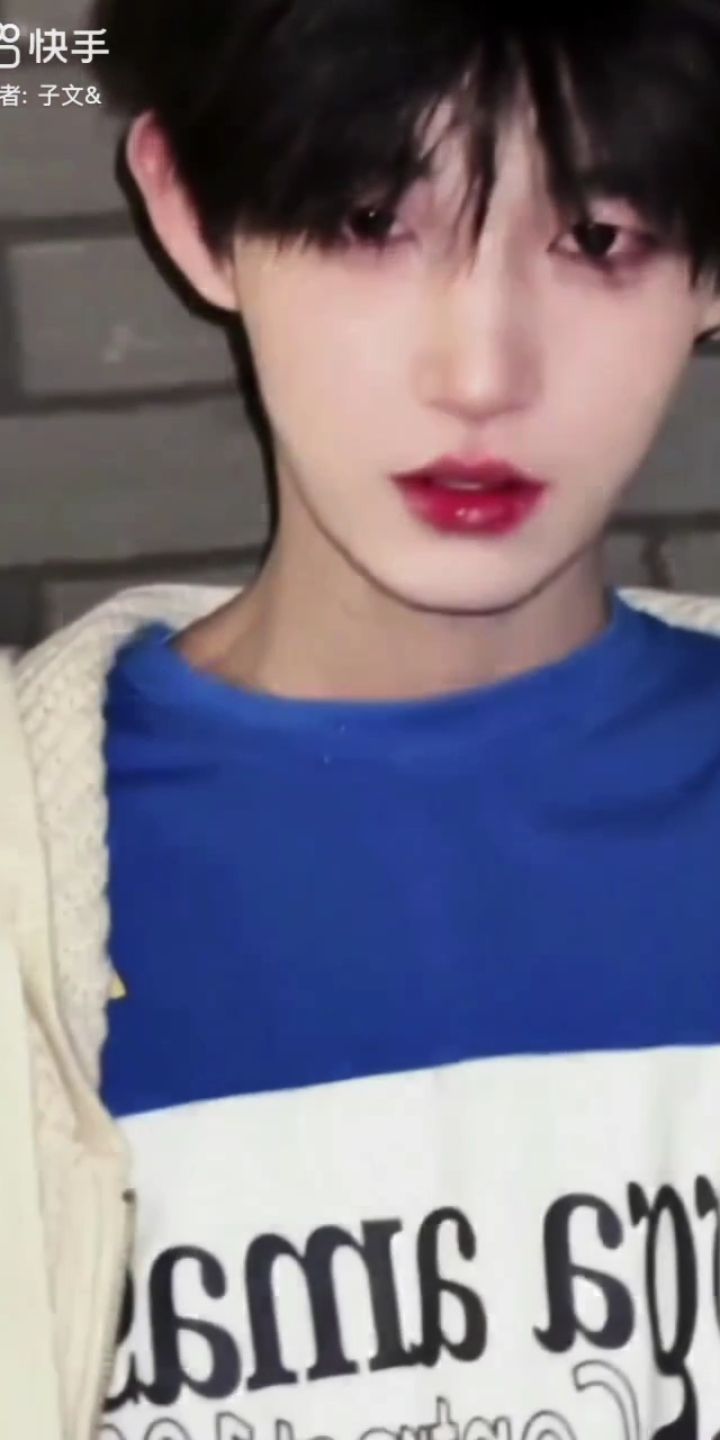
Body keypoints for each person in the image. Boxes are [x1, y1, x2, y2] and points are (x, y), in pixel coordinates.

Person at [4, 1, 720, 1436]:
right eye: (369, 219)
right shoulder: (27, 875)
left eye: (597, 239)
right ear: (193, 212)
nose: (482, 373)